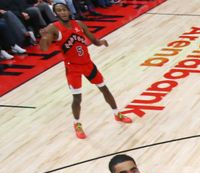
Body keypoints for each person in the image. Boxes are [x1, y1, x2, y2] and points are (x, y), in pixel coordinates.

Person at [37, 0, 131, 139]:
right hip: (72, 67)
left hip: (88, 64)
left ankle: (117, 113)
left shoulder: (79, 24)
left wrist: (100, 42)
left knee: (104, 89)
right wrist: (44, 37)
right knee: (77, 98)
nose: (62, 12)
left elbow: (93, 40)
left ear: (69, 10)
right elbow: (44, 48)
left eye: (64, 9)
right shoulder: (53, 28)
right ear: (55, 13)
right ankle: (77, 124)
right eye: (59, 10)